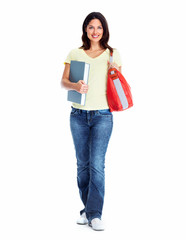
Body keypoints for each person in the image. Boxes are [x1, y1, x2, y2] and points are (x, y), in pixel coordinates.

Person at [61, 12, 122, 231]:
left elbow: (117, 85)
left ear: (104, 30)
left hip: (102, 116)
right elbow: (63, 81)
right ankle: (87, 209)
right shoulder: (75, 53)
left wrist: (114, 74)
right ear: (85, 29)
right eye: (91, 27)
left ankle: (95, 214)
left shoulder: (112, 54)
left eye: (99, 28)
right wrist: (75, 86)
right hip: (78, 115)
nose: (95, 31)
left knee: (97, 165)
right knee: (82, 165)